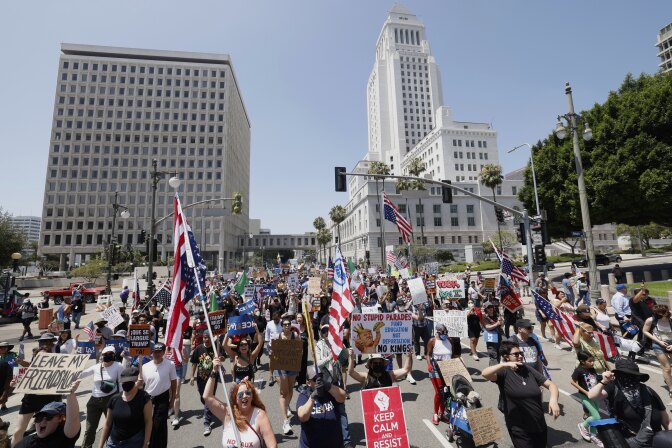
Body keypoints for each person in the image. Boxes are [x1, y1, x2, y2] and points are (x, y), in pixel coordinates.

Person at [481, 340, 560, 448]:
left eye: (521, 353)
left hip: (538, 424)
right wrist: (504, 365)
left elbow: (551, 385)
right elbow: (485, 373)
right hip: (519, 427)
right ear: (506, 357)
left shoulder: (528, 369)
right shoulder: (503, 373)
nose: (520, 356)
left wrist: (553, 400)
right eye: (516, 354)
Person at [588, 358, 672, 446]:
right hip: (631, 442)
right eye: (625, 375)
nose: (630, 379)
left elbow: (667, 421)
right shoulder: (613, 388)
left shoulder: (648, 391)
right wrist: (604, 381)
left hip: (657, 442)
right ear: (618, 376)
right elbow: (592, 396)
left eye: (633, 375)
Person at [203, 357, 278, 448]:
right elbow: (207, 397)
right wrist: (214, 371)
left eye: (248, 393)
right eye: (240, 394)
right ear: (235, 399)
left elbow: (273, 446)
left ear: (252, 396)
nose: (244, 396)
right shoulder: (228, 413)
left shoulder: (260, 416)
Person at [12, 347, 64, 447]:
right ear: (35, 358)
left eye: (45, 355)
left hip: (49, 402)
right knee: (18, 431)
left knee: (47, 431)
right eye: (39, 356)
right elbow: (17, 383)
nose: (42, 357)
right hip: (30, 400)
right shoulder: (28, 370)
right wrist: (13, 384)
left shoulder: (56, 370)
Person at [78, 345, 125, 448]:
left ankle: (111, 445)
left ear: (113, 355)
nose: (107, 356)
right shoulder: (96, 367)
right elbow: (82, 374)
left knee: (111, 426)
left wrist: (121, 399)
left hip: (110, 399)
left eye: (110, 354)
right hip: (94, 400)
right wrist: (70, 373)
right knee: (90, 428)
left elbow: (121, 383)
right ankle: (86, 446)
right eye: (105, 354)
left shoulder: (118, 366)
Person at [315, 324, 353, 448]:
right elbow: (319, 364)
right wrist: (331, 356)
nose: (327, 333)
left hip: (337, 381)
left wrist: (348, 352)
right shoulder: (318, 346)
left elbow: (344, 360)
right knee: (327, 410)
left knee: (341, 410)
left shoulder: (337, 343)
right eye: (324, 331)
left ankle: (346, 440)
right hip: (326, 383)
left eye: (329, 330)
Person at [14, 381, 81, 448]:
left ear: (60, 418)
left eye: (48, 417)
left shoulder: (63, 437)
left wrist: (70, 393)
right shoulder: (27, 442)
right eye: (39, 418)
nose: (43, 422)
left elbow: (73, 419)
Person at [98, 367, 152, 448]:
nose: (125, 384)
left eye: (129, 382)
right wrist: (100, 445)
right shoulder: (114, 399)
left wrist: (146, 443)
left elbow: (148, 421)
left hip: (134, 443)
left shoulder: (144, 398)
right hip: (113, 443)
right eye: (123, 382)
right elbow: (107, 423)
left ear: (136, 381)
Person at [297, 366, 346, 448]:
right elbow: (302, 417)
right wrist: (313, 397)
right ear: (308, 382)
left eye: (320, 376)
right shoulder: (304, 395)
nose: (318, 380)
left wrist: (328, 386)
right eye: (315, 378)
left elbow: (342, 397)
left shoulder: (330, 391)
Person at [140, 342, 177, 448]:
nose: (157, 354)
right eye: (155, 352)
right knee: (148, 423)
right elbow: (141, 384)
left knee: (159, 424)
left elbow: (173, 382)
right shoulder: (145, 366)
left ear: (163, 352)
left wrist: (173, 398)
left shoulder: (170, 364)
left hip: (162, 398)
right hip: (148, 399)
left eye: (159, 352)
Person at [570, 351, 605, 447]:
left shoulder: (592, 368)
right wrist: (585, 392)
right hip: (585, 396)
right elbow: (572, 382)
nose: (592, 363)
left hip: (594, 395)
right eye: (590, 361)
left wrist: (604, 377)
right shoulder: (579, 370)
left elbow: (596, 378)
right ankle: (583, 425)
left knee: (595, 414)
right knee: (597, 416)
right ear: (582, 361)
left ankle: (593, 434)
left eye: (593, 360)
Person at [426, 323, 459, 425]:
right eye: (443, 333)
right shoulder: (432, 341)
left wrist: (456, 364)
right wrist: (429, 365)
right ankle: (435, 413)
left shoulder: (449, 340)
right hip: (436, 369)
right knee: (439, 392)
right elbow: (428, 354)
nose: (445, 334)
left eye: (446, 332)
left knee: (446, 393)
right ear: (438, 332)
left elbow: (452, 355)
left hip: (447, 369)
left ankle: (442, 413)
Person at [274, 317, 301, 435]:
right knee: (283, 393)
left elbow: (300, 350)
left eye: (288, 324)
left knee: (290, 391)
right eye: (284, 324)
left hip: (292, 366)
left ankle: (286, 406)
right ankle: (285, 421)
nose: (286, 326)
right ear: (282, 326)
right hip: (280, 367)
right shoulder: (277, 336)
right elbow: (273, 351)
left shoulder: (295, 335)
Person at [190, 331, 218, 436]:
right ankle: (210, 409)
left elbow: (223, 357)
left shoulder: (216, 348)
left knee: (208, 398)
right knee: (203, 397)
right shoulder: (199, 348)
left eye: (208, 337)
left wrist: (220, 358)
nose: (206, 339)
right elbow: (194, 363)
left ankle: (207, 423)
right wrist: (192, 376)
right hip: (201, 379)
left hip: (213, 378)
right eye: (205, 337)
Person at [643, 304, 672, 400]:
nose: (662, 316)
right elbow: (645, 331)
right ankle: (671, 388)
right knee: (667, 368)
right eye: (658, 314)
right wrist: (659, 341)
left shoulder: (671, 318)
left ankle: (667, 379)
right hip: (658, 344)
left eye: (663, 313)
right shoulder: (651, 320)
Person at [348, 348, 412, 389]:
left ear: (383, 364)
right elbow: (351, 372)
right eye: (375, 363)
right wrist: (351, 358)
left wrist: (408, 356)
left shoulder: (390, 375)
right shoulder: (366, 377)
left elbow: (406, 369)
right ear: (371, 364)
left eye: (380, 363)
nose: (378, 365)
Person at [264, 311, 283, 387]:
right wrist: (267, 346)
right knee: (272, 362)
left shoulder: (283, 323)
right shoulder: (269, 324)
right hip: (272, 346)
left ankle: (281, 376)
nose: (276, 321)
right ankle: (271, 376)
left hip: (282, 346)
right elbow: (267, 336)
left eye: (277, 320)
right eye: (275, 320)